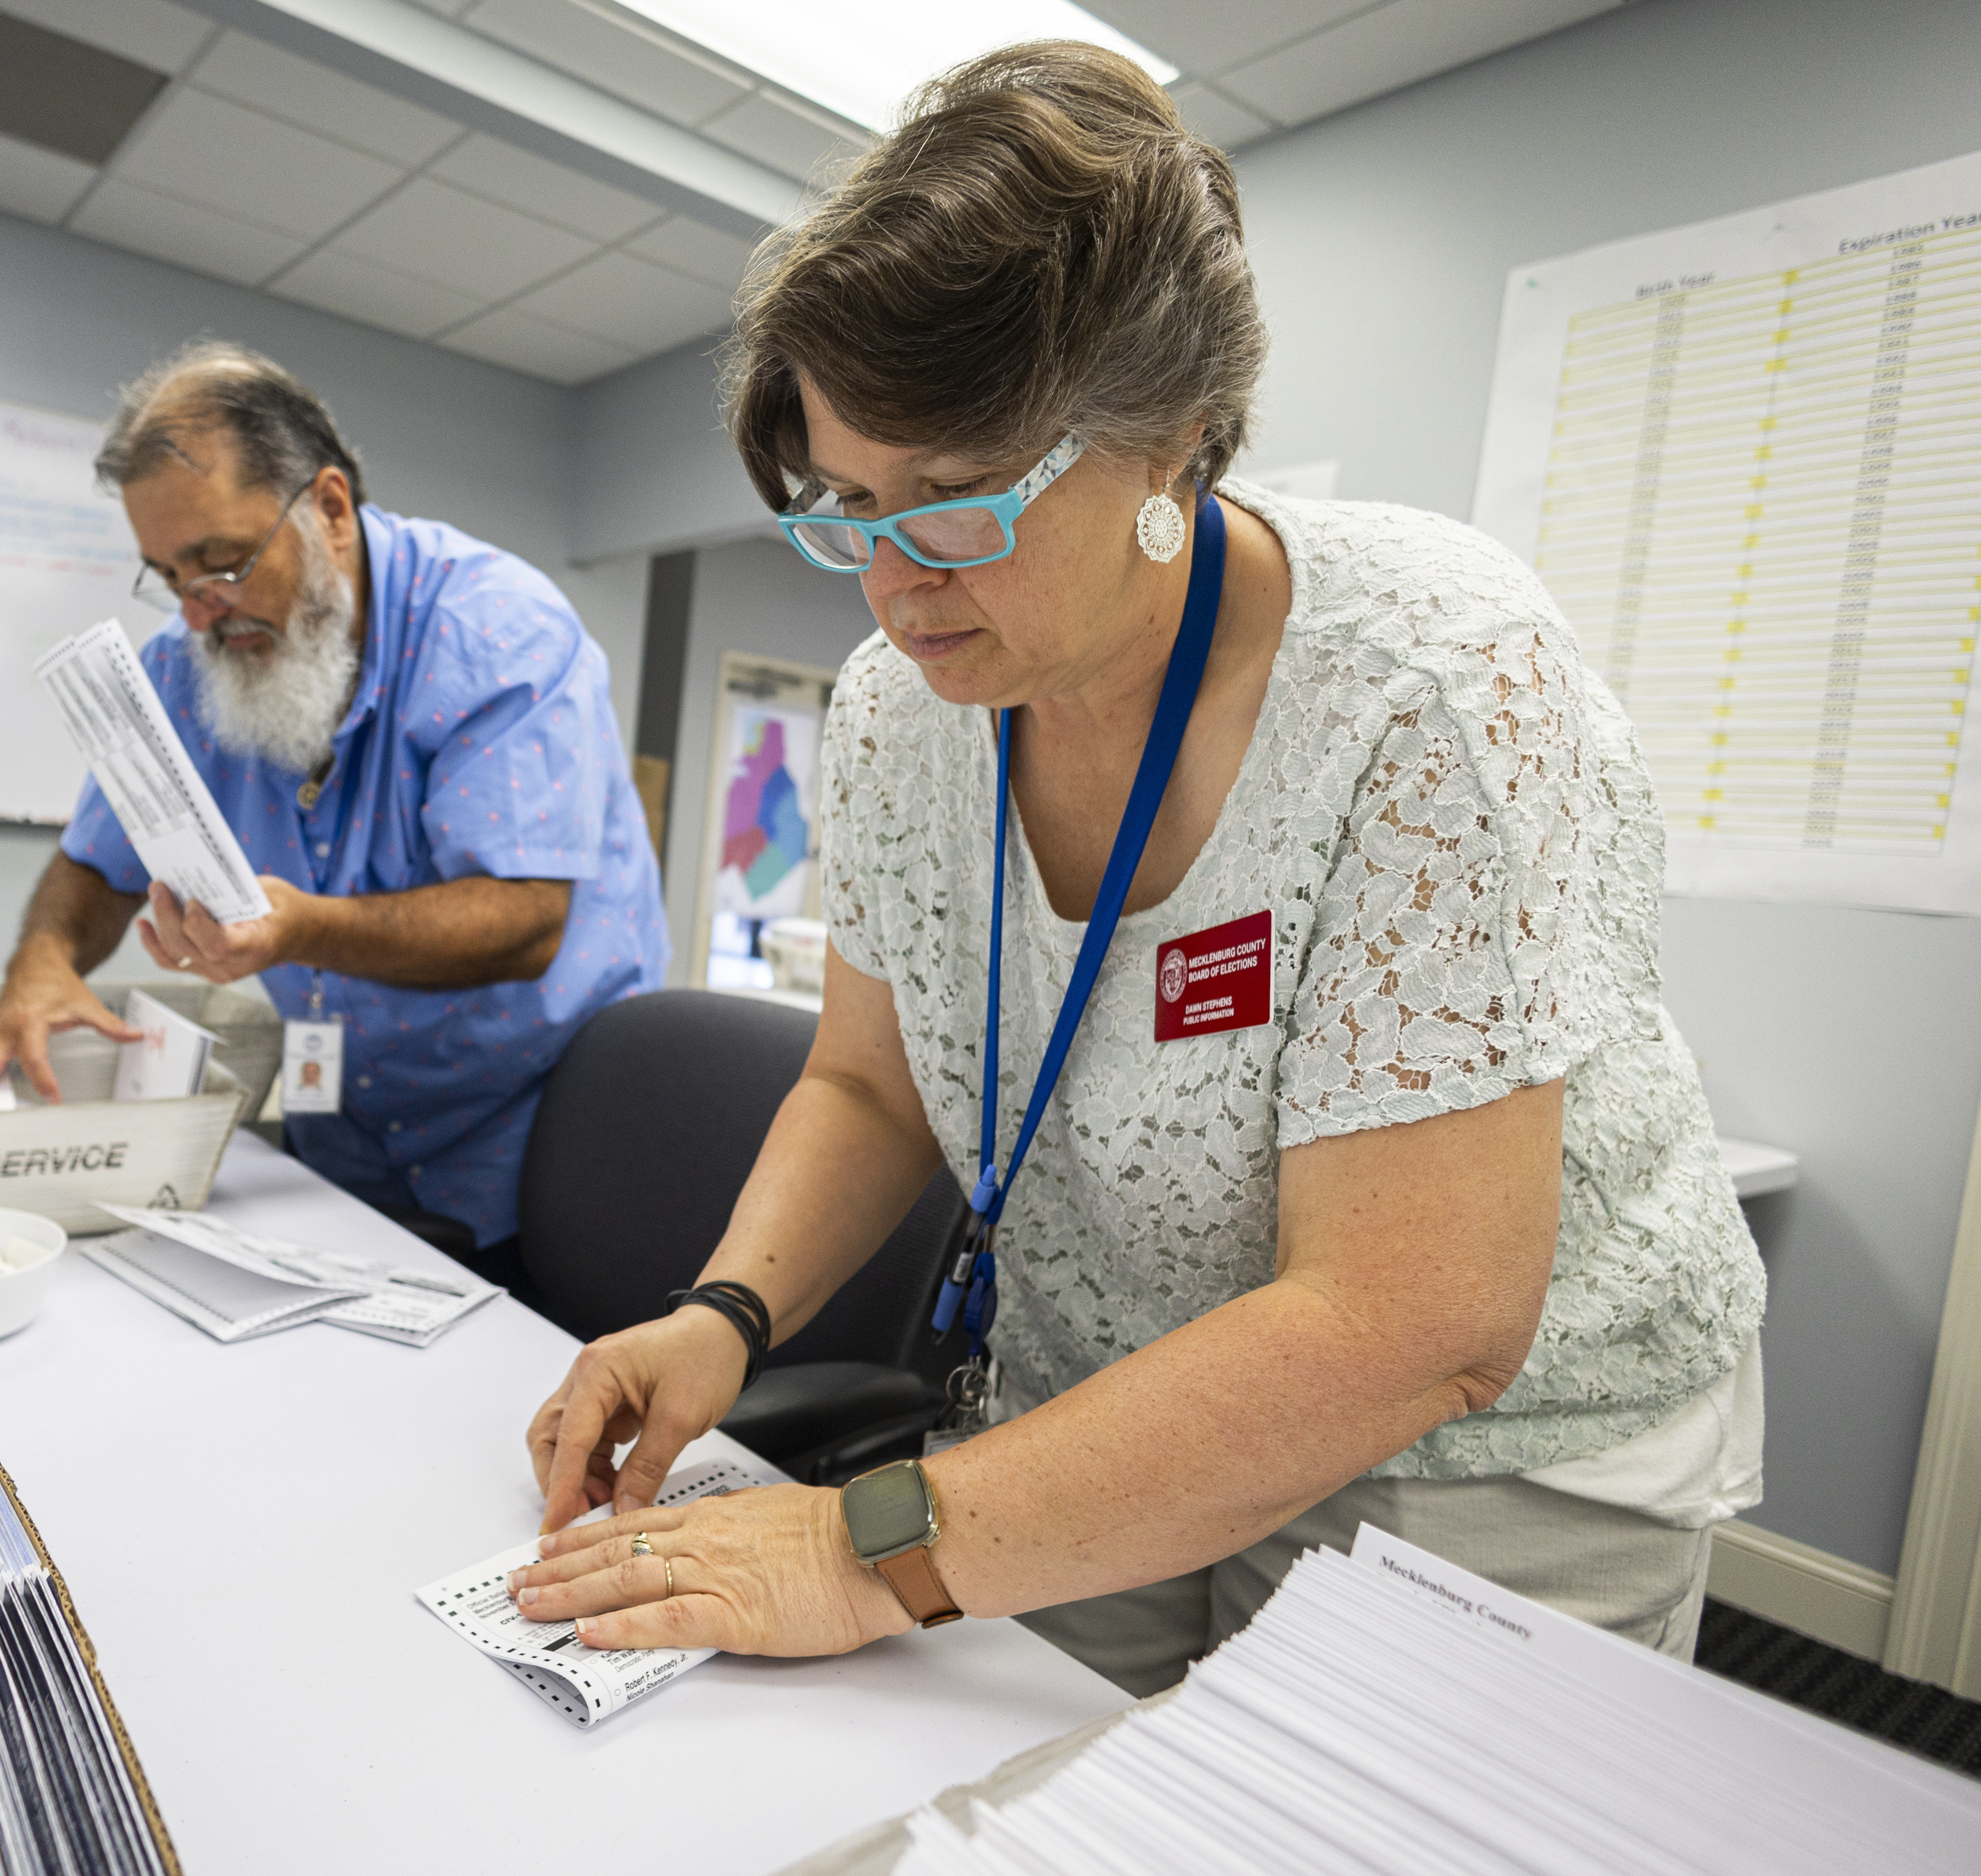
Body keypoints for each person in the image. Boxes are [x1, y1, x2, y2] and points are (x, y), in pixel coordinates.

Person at [511, 43, 1765, 1694]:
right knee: (978, 1788)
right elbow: (876, 1090)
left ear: (1171, 442)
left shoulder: (1435, 684)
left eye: (957, 505)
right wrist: (722, 1318)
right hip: (1098, 1395)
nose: (891, 585)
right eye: (851, 505)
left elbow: (1415, 1321)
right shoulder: (902, 714)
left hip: (1485, 1453)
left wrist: (852, 1545)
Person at [0, 342, 667, 1278]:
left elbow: (522, 921)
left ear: (328, 507)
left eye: (223, 562)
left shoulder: (498, 632)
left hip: (538, 1138)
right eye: (169, 576)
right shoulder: (181, 664)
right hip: (345, 1139)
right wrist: (42, 964)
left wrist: (300, 929)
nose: (201, 613)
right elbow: (94, 865)